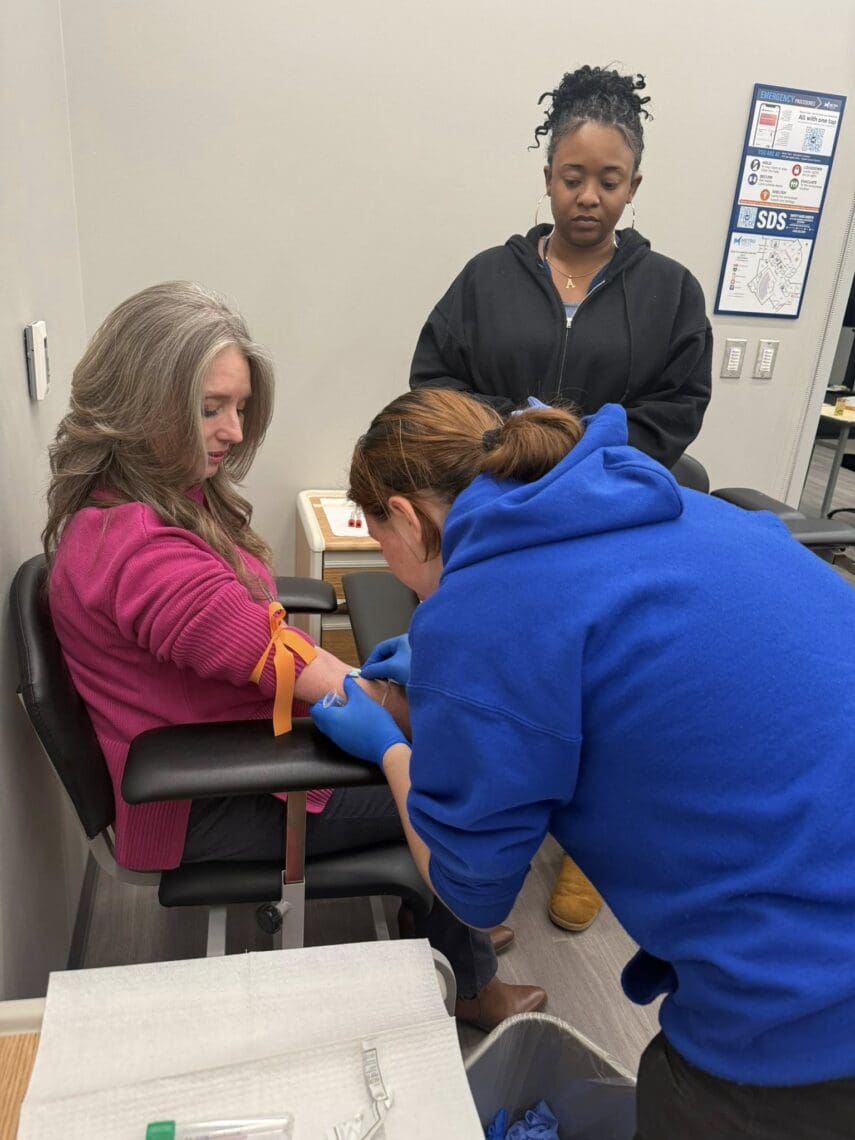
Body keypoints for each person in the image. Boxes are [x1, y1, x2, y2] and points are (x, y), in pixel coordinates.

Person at [311, 388, 855, 1139]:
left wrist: (393, 746)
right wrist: (450, 691)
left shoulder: (489, 607)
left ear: (405, 515)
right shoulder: (663, 504)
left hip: (810, 991)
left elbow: (472, 890)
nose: (394, 571)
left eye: (383, 546)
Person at [43, 280, 546, 1030]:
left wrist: (390, 692)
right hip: (204, 792)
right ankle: (466, 973)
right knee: (454, 779)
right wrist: (399, 706)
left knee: (427, 732)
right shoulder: (138, 550)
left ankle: (444, 913)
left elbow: (255, 631)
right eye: (210, 407)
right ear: (144, 397)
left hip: (225, 739)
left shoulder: (157, 494)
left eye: (239, 408)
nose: (232, 430)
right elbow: (266, 650)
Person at [410, 64, 714, 932]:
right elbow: (435, 380)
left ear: (634, 186)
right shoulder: (484, 277)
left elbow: (679, 407)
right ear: (546, 177)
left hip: (609, 515)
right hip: (500, 506)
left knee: (606, 680)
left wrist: (585, 443)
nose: (588, 197)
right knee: (508, 671)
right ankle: (488, 831)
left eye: (607, 181)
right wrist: (509, 434)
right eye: (572, 178)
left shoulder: (670, 292)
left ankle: (587, 843)